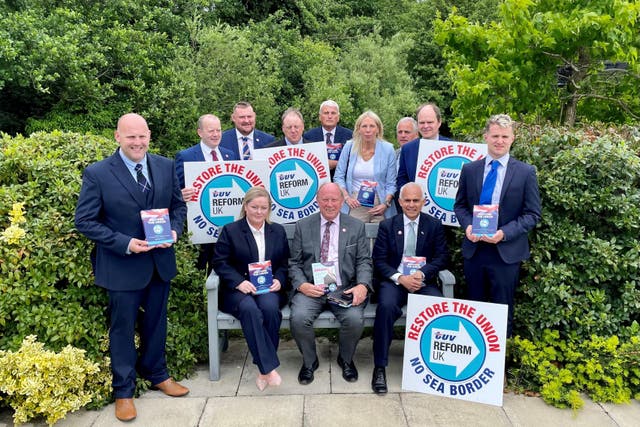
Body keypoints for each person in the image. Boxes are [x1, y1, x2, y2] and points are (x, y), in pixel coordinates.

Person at [75, 113, 189, 422]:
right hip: (122, 264)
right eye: (131, 137)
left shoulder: (165, 166)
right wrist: (125, 242)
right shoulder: (98, 173)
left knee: (157, 322)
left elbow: (178, 206)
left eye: (142, 136)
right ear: (117, 137)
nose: (137, 142)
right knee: (123, 330)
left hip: (159, 263)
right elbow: (84, 221)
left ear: (149, 135)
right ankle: (123, 392)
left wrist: (176, 230)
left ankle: (158, 374)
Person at [453, 114, 541, 337]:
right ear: (486, 137)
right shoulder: (470, 169)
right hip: (475, 249)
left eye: (504, 136)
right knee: (473, 311)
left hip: (505, 252)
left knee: (502, 311)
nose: (499, 141)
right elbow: (460, 206)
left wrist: (503, 233)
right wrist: (468, 227)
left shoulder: (525, 172)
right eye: (495, 136)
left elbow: (532, 214)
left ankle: (499, 364)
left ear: (512, 139)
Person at [289, 182, 372, 385]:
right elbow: (294, 263)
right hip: (312, 287)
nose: (329, 204)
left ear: (342, 202)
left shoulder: (355, 226)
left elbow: (363, 260)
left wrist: (362, 284)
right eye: (324, 199)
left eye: (334, 199)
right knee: (299, 318)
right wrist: (302, 285)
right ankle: (310, 362)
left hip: (344, 288)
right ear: (317, 201)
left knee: (353, 319)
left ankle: (345, 359)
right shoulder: (303, 225)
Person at [370, 182, 449, 394]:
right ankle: (380, 367)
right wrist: (400, 277)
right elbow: (379, 260)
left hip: (422, 280)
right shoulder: (388, 225)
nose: (412, 204)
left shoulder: (433, 225)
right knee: (385, 307)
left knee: (439, 306)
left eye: (416, 200)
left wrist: (422, 273)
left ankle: (435, 367)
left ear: (423, 201)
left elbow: (442, 257)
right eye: (407, 200)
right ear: (400, 202)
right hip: (395, 281)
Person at [212, 187, 290, 391]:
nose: (259, 212)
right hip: (238, 289)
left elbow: (284, 263)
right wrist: (239, 282)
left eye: (264, 208)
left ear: (269, 209)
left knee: (271, 309)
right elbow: (220, 262)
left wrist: (279, 280)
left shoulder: (277, 231)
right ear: (245, 206)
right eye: (254, 207)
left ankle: (264, 369)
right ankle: (268, 369)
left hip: (267, 287)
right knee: (249, 310)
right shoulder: (231, 230)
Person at [175, 114, 237, 272]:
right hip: (201, 224)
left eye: (218, 130)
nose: (216, 134)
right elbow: (175, 190)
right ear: (200, 132)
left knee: (228, 264)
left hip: (227, 223)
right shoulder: (186, 156)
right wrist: (181, 195)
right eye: (211, 131)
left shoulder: (230, 154)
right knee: (200, 268)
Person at [334, 110, 397, 223]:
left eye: (372, 126)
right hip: (355, 202)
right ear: (358, 129)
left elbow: (391, 183)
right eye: (364, 126)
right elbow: (338, 176)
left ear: (378, 129)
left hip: (380, 204)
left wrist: (385, 204)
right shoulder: (349, 147)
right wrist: (347, 198)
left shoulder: (388, 149)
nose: (368, 130)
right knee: (354, 237)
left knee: (381, 238)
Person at [397, 103, 452, 189]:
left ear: (439, 122)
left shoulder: (452, 147)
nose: (425, 126)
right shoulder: (407, 149)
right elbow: (402, 179)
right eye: (422, 122)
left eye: (430, 122)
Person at [303, 100, 353, 176]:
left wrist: (336, 164)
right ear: (320, 117)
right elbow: (305, 162)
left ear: (338, 117)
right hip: (317, 180)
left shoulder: (350, 136)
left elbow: (354, 162)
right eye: (326, 113)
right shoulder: (309, 136)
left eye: (333, 113)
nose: (329, 116)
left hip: (342, 181)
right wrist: (324, 164)